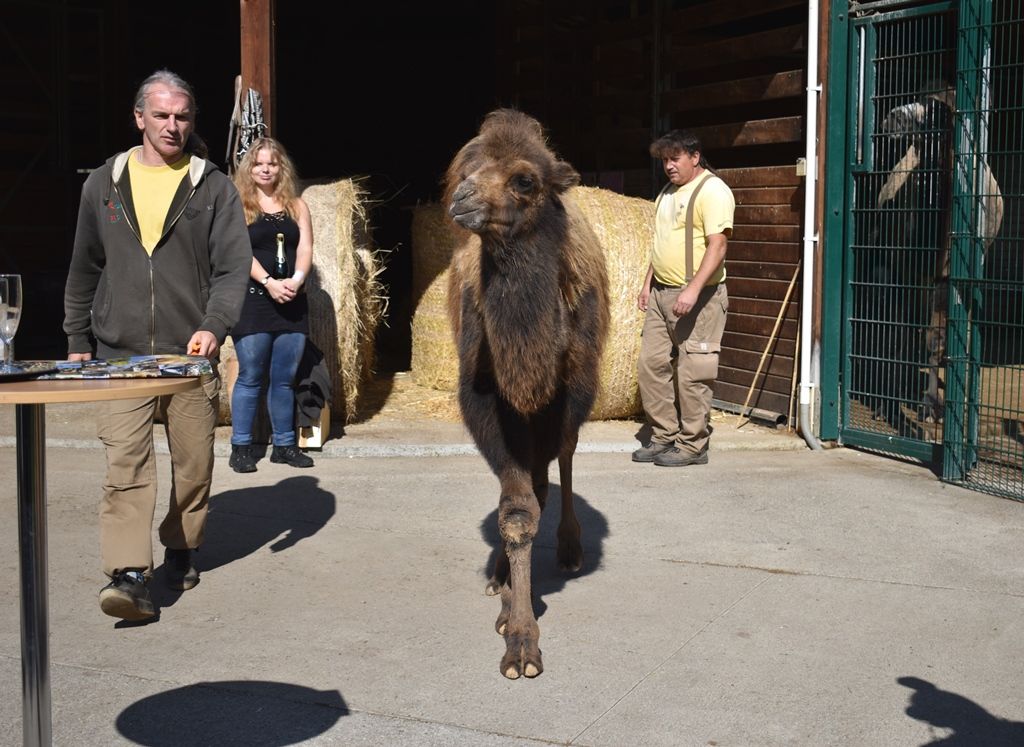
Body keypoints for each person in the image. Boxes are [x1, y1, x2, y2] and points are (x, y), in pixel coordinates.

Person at [63, 69, 252, 620]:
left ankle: (181, 544)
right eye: (162, 115)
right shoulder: (102, 183)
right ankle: (127, 575)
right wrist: (78, 337)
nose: (173, 126)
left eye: (183, 117)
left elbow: (233, 268)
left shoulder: (211, 185)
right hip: (118, 352)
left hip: (189, 355)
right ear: (139, 117)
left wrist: (215, 325)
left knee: (193, 467)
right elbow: (84, 266)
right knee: (125, 463)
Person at [633, 129, 735, 467]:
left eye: (674, 158)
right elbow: (662, 244)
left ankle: (693, 445)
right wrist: (649, 283)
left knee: (693, 373)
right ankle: (664, 436)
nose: (669, 166)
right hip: (662, 293)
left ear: (694, 156)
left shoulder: (713, 191)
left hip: (699, 297)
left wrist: (692, 289)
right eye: (664, 160)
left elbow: (718, 245)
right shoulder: (666, 193)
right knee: (651, 366)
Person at [227, 137, 315, 473]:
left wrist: (296, 279)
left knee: (284, 379)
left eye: (272, 163)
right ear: (250, 168)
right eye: (259, 163)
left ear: (282, 167)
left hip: (292, 299)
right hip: (253, 301)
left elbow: (305, 247)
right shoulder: (239, 205)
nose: (266, 169)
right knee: (251, 375)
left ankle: (284, 445)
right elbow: (237, 251)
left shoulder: (297, 205)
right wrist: (267, 282)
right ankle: (241, 447)